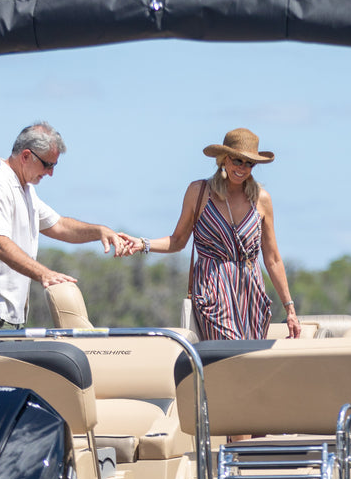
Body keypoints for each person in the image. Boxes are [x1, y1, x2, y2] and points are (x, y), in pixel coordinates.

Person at [122, 127, 301, 340]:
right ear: (224, 159)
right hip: (212, 291)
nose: (242, 168)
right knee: (228, 349)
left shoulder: (261, 199)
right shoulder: (199, 192)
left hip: (251, 294)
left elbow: (272, 259)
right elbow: (178, 240)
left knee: (250, 356)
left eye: (249, 163)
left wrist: (290, 309)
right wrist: (143, 244)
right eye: (237, 160)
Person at [0, 122, 135, 329]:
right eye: (47, 165)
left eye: (54, 166)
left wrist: (100, 231)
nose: (50, 173)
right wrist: (44, 274)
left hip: (9, 313)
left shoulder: (25, 189)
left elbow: (59, 225)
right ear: (26, 156)